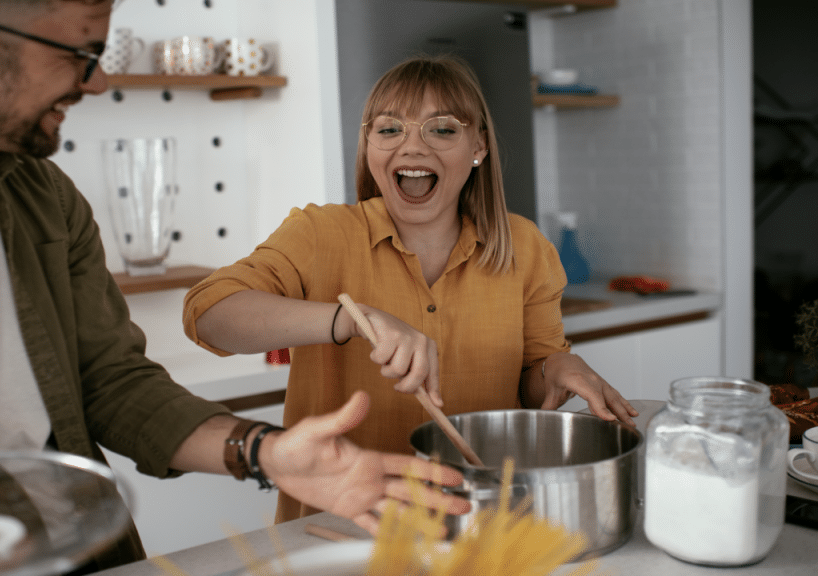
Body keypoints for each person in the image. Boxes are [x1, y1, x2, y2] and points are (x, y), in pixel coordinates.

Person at [0, 2, 471, 574]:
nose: (97, 82)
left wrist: (267, 452)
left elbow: (111, 385)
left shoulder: (42, 198)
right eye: (81, 53)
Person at [183, 55, 639, 523]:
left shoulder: (525, 247)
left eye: (441, 129)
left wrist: (557, 366)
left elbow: (529, 382)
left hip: (480, 519)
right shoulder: (319, 234)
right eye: (389, 129)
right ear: (368, 146)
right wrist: (351, 319)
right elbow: (209, 314)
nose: (412, 147)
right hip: (342, 529)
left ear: (478, 145)